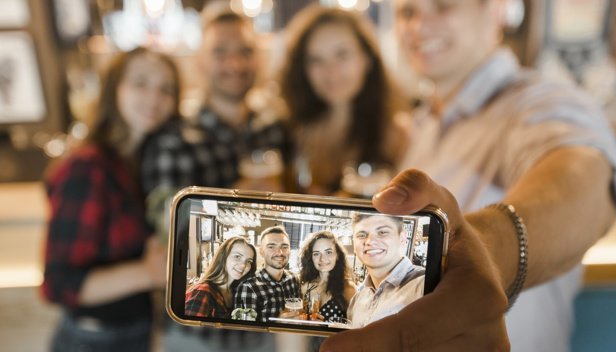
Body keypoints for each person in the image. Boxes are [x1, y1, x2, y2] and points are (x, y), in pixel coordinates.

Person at [321, 0, 616, 351]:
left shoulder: (539, 100)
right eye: (407, 12)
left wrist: (486, 255)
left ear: (495, 9)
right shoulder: (422, 123)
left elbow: (583, 180)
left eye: (443, 6)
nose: (419, 25)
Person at [41, 47, 180, 352]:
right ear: (113, 88)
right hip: (93, 339)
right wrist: (149, 272)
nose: (154, 98)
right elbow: (59, 284)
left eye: (165, 89)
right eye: (140, 83)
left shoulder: (140, 161)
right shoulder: (88, 166)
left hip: (135, 332)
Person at [141, 4, 290, 195]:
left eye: (246, 52)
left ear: (259, 59)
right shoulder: (174, 141)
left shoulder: (275, 127)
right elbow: (167, 220)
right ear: (199, 62)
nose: (235, 64)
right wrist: (232, 199)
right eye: (220, 52)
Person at [280, 5, 408, 195]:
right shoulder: (294, 132)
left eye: (342, 55)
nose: (331, 71)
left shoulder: (399, 134)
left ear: (367, 58)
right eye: (316, 59)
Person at [347, 213, 425, 328]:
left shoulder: (423, 285)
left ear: (402, 239)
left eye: (382, 232)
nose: (370, 241)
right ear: (354, 244)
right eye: (362, 235)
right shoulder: (358, 298)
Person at [234, 226, 300, 322]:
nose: (279, 252)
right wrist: (277, 324)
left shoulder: (294, 279)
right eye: (271, 246)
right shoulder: (249, 287)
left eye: (284, 247)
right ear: (261, 251)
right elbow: (244, 332)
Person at [185, 236, 257, 318]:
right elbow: (188, 329)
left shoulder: (237, 290)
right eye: (237, 256)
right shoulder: (202, 292)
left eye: (249, 261)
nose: (243, 265)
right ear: (223, 256)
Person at [298, 230, 357, 322]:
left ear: (337, 255)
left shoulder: (348, 288)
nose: (322, 258)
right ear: (311, 258)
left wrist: (325, 327)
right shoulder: (306, 286)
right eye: (316, 254)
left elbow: (356, 326)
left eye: (328, 252)